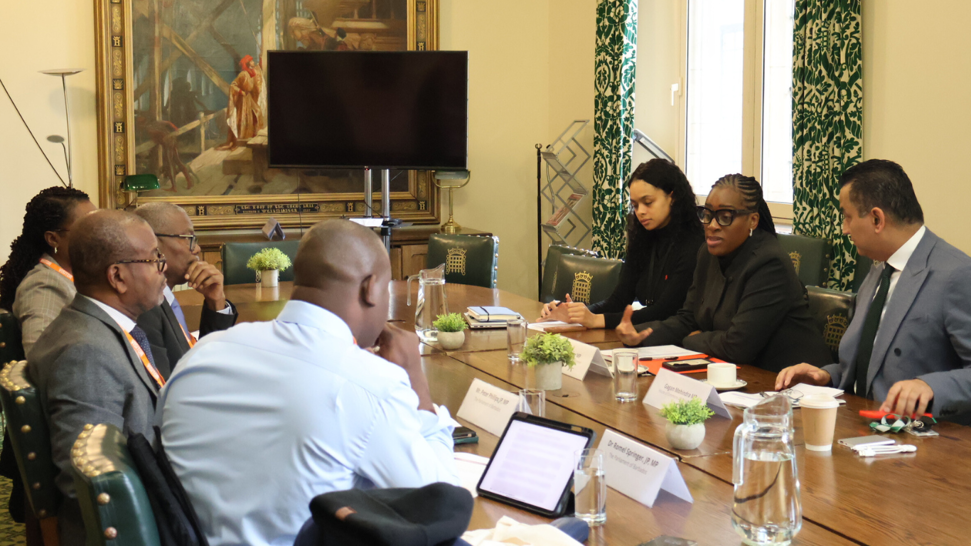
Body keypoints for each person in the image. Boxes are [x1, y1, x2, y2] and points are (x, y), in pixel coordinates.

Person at [158, 219, 460, 546]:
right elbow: (438, 504)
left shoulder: (202, 353)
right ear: (371, 287)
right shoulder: (369, 383)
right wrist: (418, 386)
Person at [776, 160, 971, 419]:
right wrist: (826, 376)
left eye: (847, 216)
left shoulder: (956, 274)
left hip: (921, 441)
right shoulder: (879, 269)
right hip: (859, 425)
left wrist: (931, 386)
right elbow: (870, 367)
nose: (844, 229)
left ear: (877, 219)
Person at [29, 210, 168, 544]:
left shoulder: (95, 327)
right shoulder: (85, 353)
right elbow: (91, 481)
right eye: (153, 259)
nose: (163, 270)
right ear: (117, 276)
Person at [617, 174, 831, 372]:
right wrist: (641, 334)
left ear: (753, 221)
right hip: (739, 375)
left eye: (725, 217)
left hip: (796, 385)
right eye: (707, 215)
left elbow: (737, 346)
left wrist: (692, 340)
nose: (712, 225)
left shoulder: (769, 263)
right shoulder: (707, 254)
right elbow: (689, 318)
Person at [540, 159, 704, 328]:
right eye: (635, 205)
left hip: (679, 341)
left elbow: (664, 311)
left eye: (648, 203)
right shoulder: (644, 237)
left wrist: (596, 320)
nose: (640, 211)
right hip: (650, 336)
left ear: (673, 196)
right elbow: (618, 301)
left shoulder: (694, 243)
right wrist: (574, 314)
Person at [133, 202, 238, 378]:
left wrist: (216, 302)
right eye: (188, 238)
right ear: (153, 242)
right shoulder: (145, 310)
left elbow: (208, 359)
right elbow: (172, 382)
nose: (197, 248)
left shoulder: (166, 299)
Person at [0, 187, 96, 357]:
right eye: (87, 228)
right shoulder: (44, 286)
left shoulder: (76, 276)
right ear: (53, 239)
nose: (99, 234)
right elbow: (42, 359)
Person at [218, 54, 265, 151]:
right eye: (251, 61)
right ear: (247, 63)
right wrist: (240, 91)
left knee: (257, 112)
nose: (253, 62)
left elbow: (258, 70)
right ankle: (241, 140)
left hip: (249, 97)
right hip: (243, 99)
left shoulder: (251, 72)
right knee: (244, 117)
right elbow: (233, 85)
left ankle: (251, 135)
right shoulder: (243, 74)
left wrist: (260, 60)